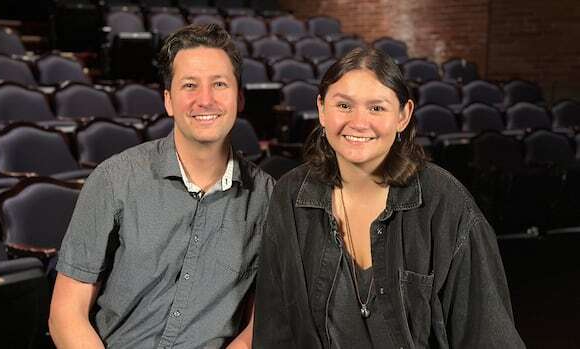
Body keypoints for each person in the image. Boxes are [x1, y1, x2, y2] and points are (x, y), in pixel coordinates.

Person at [252, 47, 525, 348]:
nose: (358, 122)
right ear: (321, 109)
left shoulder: (446, 203)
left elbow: (489, 337)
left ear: (403, 115)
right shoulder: (289, 196)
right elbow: (274, 331)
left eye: (377, 108)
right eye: (343, 105)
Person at [49, 24, 274, 349]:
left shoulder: (267, 198)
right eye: (189, 85)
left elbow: (260, 323)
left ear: (239, 98)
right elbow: (66, 314)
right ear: (168, 100)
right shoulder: (114, 179)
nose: (205, 99)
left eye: (220, 84)